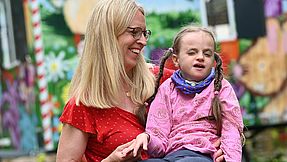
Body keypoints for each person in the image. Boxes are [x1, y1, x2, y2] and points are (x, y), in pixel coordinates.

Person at [56, 0, 225, 161]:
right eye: (134, 32)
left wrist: (224, 144)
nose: (143, 41)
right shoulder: (82, 105)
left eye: (145, 33)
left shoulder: (164, 81)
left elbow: (222, 104)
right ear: (108, 36)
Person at [128, 26, 245, 162]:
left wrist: (230, 159)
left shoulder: (221, 87)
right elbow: (158, 133)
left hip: (203, 155)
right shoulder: (167, 88)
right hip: (171, 156)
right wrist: (148, 138)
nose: (200, 57)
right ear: (176, 60)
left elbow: (232, 129)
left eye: (207, 54)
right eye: (192, 53)